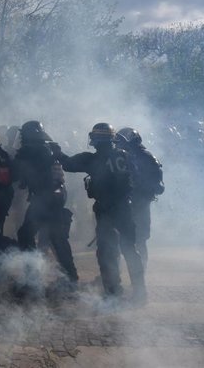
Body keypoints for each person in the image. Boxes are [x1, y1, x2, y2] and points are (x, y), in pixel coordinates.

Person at [59, 123, 146, 302]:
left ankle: (113, 292)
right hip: (124, 208)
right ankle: (140, 291)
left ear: (96, 140)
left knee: (107, 251)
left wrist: (56, 151)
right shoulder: (125, 156)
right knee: (130, 249)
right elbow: (136, 179)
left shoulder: (93, 159)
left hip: (106, 209)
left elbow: (67, 164)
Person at [14, 121, 78, 285]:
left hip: (46, 197)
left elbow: (27, 171)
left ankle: (32, 277)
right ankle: (70, 277)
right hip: (54, 196)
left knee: (27, 235)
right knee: (57, 238)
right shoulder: (47, 148)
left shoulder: (33, 150)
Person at [115, 127, 164, 269]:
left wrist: (142, 186)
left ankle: (140, 271)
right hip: (124, 203)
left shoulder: (147, 157)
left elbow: (159, 184)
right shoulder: (122, 157)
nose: (119, 144)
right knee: (119, 238)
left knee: (140, 238)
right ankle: (114, 273)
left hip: (140, 203)